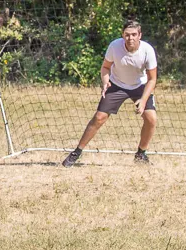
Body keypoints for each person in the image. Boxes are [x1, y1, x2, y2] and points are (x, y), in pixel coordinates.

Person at [62, 20, 158, 167]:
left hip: (140, 86)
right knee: (99, 117)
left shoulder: (147, 50)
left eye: (133, 35)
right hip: (117, 84)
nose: (130, 38)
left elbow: (152, 79)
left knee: (151, 119)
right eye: (127, 35)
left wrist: (143, 100)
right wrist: (105, 81)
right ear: (122, 35)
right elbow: (106, 67)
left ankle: (141, 154)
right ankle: (77, 152)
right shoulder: (115, 46)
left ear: (140, 35)